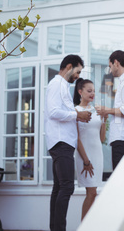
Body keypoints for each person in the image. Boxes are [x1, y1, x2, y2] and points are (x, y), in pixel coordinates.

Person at [44, 54, 91, 231]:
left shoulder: (62, 86)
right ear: (69, 66)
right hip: (61, 142)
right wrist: (77, 114)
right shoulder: (56, 84)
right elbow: (53, 112)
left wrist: (78, 117)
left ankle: (56, 228)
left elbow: (60, 113)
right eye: (78, 71)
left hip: (63, 142)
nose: (78, 76)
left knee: (59, 188)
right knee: (66, 187)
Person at [73, 78, 108, 220]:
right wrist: (86, 160)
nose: (92, 93)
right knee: (92, 193)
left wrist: (104, 119)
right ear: (80, 92)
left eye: (93, 91)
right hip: (84, 156)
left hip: (97, 155)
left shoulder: (97, 110)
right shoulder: (76, 111)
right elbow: (77, 138)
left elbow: (101, 139)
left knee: (93, 193)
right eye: (89, 91)